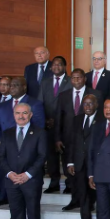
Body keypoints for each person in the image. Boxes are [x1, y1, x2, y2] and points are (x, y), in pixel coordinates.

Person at [0, 103, 47, 219]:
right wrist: (9, 173)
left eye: (25, 113)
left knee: (32, 211)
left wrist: (27, 174)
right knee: (16, 211)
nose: (21, 116)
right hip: (12, 180)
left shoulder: (39, 132)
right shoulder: (7, 133)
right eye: (18, 113)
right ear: (14, 115)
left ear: (30, 115)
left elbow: (42, 156)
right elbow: (1, 157)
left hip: (31, 180)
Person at [0, 77, 45, 212]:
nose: (11, 88)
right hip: (8, 152)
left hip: (27, 154)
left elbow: (39, 127)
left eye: (15, 85)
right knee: (7, 182)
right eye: (10, 86)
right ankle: (7, 205)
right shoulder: (3, 106)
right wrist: (0, 142)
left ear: (24, 87)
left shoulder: (34, 104)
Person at [55, 69, 100, 208]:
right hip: (69, 139)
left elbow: (101, 117)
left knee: (88, 173)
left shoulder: (96, 94)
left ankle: (90, 202)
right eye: (73, 78)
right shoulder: (63, 95)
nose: (76, 80)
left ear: (84, 79)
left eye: (79, 78)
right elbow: (58, 118)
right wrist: (57, 138)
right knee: (71, 172)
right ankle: (75, 200)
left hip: (89, 140)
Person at [65, 94, 100, 219]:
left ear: (96, 104)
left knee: (97, 191)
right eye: (85, 104)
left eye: (90, 104)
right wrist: (70, 162)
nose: (88, 106)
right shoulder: (77, 119)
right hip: (79, 162)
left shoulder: (102, 120)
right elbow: (72, 141)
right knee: (83, 192)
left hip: (97, 163)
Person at [38, 56, 71, 194]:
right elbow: (40, 103)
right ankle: (54, 182)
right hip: (48, 125)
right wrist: (45, 119)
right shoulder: (45, 82)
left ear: (65, 66)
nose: (56, 67)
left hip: (66, 125)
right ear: (51, 67)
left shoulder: (71, 81)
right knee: (51, 156)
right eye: (54, 65)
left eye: (59, 64)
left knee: (67, 155)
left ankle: (70, 183)